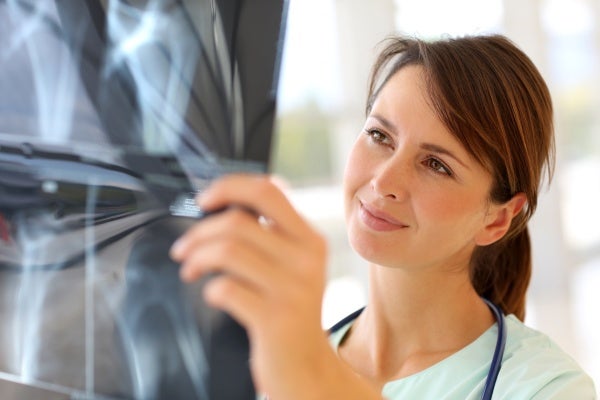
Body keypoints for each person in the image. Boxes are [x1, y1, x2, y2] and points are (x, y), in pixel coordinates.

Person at [170, 34, 597, 399]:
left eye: (437, 165)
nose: (384, 180)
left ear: (497, 220)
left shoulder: (547, 387)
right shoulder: (281, 361)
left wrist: (311, 376)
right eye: (379, 135)